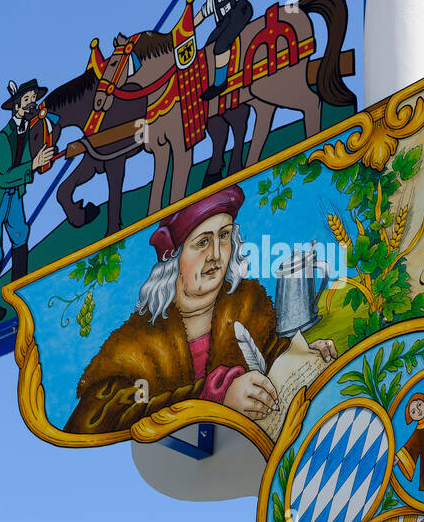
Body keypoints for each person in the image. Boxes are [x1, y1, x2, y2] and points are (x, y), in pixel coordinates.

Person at [66, 185, 336, 434]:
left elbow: (269, 356)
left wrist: (302, 356)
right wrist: (211, 398)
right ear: (174, 258)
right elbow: (93, 418)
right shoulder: (136, 342)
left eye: (224, 236)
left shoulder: (248, 304)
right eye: (202, 242)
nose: (216, 255)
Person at [0, 79, 55, 328]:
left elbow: (28, 164)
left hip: (13, 195)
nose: (32, 104)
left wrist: (39, 163)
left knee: (21, 236)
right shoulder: (0, 141)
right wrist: (32, 165)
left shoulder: (27, 132)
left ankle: (21, 294)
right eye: (27, 100)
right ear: (16, 107)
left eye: (33, 100)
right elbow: (5, 175)